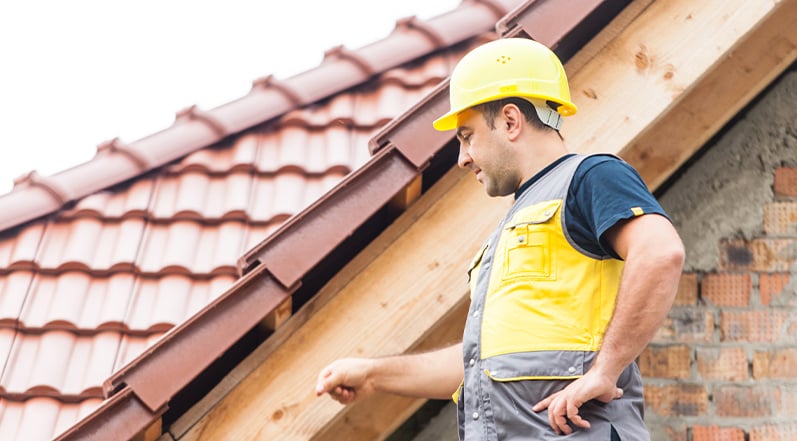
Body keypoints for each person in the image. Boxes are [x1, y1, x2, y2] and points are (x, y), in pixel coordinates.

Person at [315, 38, 685, 440]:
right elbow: (482, 364)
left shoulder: (590, 176)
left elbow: (660, 251)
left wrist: (605, 370)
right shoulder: (514, 225)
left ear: (510, 121)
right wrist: (374, 375)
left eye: (467, 136)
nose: (462, 158)